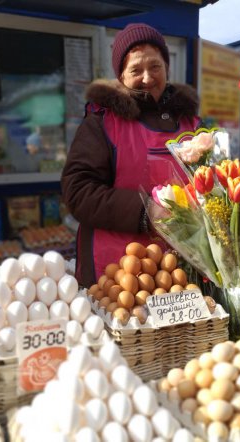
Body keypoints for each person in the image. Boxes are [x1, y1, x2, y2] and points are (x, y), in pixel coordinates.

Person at [61, 23, 202, 287]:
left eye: (155, 67)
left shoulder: (191, 124)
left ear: (166, 69)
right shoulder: (102, 123)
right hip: (117, 274)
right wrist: (146, 211)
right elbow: (78, 192)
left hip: (183, 270)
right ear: (122, 76)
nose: (147, 78)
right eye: (136, 69)